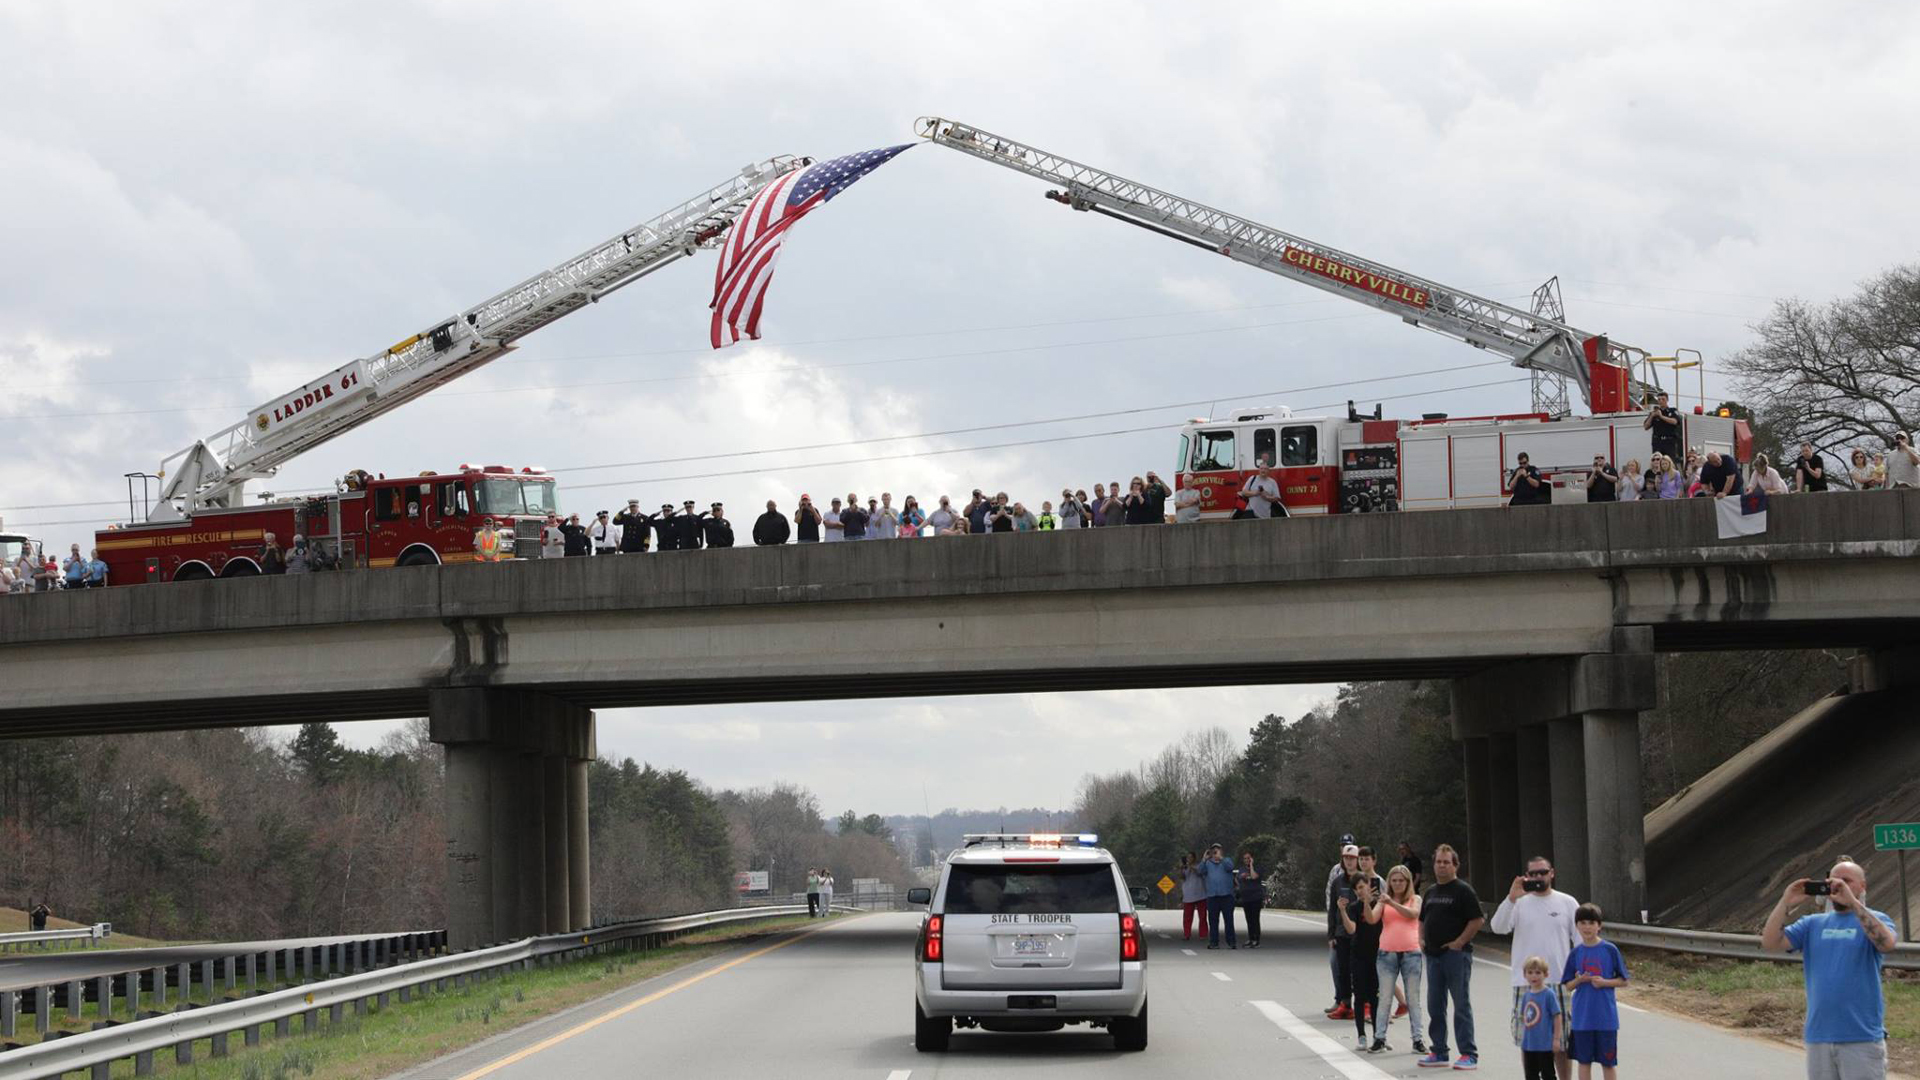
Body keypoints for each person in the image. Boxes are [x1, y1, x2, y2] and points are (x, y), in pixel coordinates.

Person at [1762, 857, 1897, 1079]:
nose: (1838, 885)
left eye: (1846, 881)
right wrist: (1785, 901)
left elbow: (1886, 944)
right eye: (1834, 880)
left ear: (1862, 887)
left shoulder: (1876, 919)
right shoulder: (1812, 924)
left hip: (1861, 1037)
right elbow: (1770, 943)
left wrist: (1853, 903)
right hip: (1820, 1036)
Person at [1491, 856, 1580, 1080]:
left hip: (1558, 980)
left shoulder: (1567, 902)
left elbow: (1580, 941)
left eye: (1543, 872)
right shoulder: (1519, 903)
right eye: (1533, 874)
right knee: (1528, 1039)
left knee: (1560, 1041)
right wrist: (1511, 898)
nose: (1538, 877)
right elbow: (1498, 927)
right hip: (1526, 983)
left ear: (1552, 873)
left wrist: (1577, 974)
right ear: (1526, 876)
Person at [1417, 843, 1483, 1070]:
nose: (1442, 866)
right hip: (1433, 956)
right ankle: (1439, 1051)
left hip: (1455, 956)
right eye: (1438, 862)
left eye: (1446, 862)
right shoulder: (1431, 892)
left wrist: (1460, 942)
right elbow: (1422, 919)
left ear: (1455, 865)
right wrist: (1421, 939)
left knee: (1461, 1005)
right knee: (1435, 1005)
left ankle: (1468, 1053)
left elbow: (1477, 920)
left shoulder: (1463, 891)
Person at [1561, 904, 1627, 1080]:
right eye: (1582, 922)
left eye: (1591, 922)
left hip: (1606, 1018)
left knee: (1608, 1062)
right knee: (1584, 1062)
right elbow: (1568, 985)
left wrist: (1605, 982)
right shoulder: (1575, 953)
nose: (1587, 927)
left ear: (1599, 925)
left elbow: (1623, 980)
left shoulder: (1610, 950)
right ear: (1576, 926)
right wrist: (1580, 980)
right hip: (1582, 1018)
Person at [1375, 864, 1427, 1056]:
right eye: (1394, 880)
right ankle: (1379, 1038)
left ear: (1407, 882)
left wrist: (1392, 903)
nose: (1397, 884)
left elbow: (1413, 914)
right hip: (1387, 953)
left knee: (1413, 998)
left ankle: (1418, 1039)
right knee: (1385, 998)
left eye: (1401, 881)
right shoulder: (1384, 900)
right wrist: (1366, 902)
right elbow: (1372, 919)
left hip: (1411, 953)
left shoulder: (1415, 899)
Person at [1340, 863, 1385, 1052]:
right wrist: (1342, 910)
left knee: (1376, 997)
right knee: (1359, 997)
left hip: (1377, 955)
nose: (1361, 890)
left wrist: (1369, 901)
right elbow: (1352, 929)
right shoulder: (1353, 907)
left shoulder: (1381, 903)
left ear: (1369, 884)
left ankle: (1378, 1036)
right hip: (1358, 955)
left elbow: (1374, 919)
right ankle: (1361, 1036)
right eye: (1357, 888)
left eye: (1363, 886)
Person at [1326, 842, 1363, 1019]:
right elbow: (1332, 909)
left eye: (1352, 858)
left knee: (1360, 970)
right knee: (1342, 969)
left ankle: (1363, 1004)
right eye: (1346, 858)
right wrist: (1331, 934)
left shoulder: (1364, 880)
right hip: (1341, 932)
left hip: (1360, 933)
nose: (1349, 861)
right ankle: (1345, 1003)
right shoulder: (1337, 881)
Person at [1519, 956, 1566, 1080]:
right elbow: (1524, 1018)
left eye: (1538, 972)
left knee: (1548, 1074)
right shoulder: (1526, 995)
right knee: (1530, 1074)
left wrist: (1556, 1039)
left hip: (1544, 1044)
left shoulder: (1548, 994)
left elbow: (1557, 1016)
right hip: (1529, 1044)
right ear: (1525, 975)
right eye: (1530, 972)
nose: (1534, 976)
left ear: (1546, 974)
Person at [1198, 843, 1237, 949]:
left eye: (1217, 850)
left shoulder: (1227, 861)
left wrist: (1221, 858)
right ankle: (1214, 942)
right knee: (1213, 921)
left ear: (1221, 851)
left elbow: (1230, 867)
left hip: (1226, 895)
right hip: (1212, 896)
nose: (1215, 852)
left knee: (1228, 920)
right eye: (1213, 851)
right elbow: (1200, 871)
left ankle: (1231, 942)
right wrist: (1204, 859)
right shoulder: (1207, 864)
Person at [1642, 392, 1682, 462]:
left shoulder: (1672, 411)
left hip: (1669, 442)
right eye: (1659, 399)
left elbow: (1674, 421)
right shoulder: (1654, 412)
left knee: (1669, 461)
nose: (1661, 401)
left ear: (1667, 400)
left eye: (1663, 399)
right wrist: (1652, 416)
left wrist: (1661, 416)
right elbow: (1646, 426)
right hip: (1657, 442)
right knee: (1657, 461)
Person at [1236, 851, 1263, 948]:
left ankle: (1257, 939)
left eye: (1248, 858)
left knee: (1255, 919)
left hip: (1256, 898)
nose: (1246, 860)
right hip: (1246, 898)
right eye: (1245, 859)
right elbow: (1238, 878)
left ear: (1252, 859)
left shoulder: (1258, 868)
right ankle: (1251, 938)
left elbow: (1254, 876)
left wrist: (1251, 866)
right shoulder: (1241, 869)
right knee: (1249, 919)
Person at [1178, 852, 1206, 941]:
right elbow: (1181, 877)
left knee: (1202, 916)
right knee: (1187, 917)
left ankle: (1203, 934)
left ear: (1194, 858)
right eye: (1187, 858)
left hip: (1200, 895)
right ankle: (1187, 934)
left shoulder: (1199, 866)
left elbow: (1199, 872)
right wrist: (1181, 868)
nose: (1188, 859)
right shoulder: (1185, 868)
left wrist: (1190, 866)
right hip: (1188, 896)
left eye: (1190, 857)